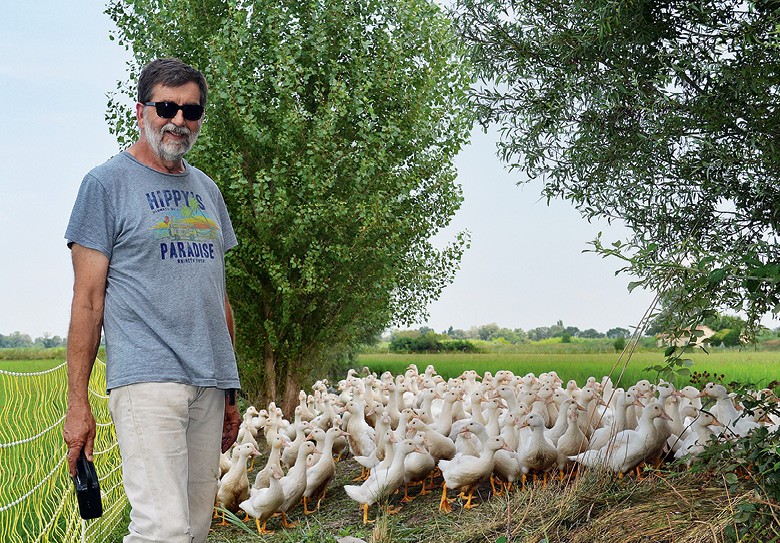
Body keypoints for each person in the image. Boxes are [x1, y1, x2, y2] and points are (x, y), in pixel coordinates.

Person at [63, 58, 241, 543]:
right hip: (147, 381)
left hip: (208, 382)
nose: (178, 121)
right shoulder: (105, 185)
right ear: (141, 110)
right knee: (162, 529)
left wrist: (230, 388)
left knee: (196, 526)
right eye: (167, 107)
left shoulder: (207, 191)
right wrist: (77, 403)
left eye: (191, 111)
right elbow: (88, 300)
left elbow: (216, 294)